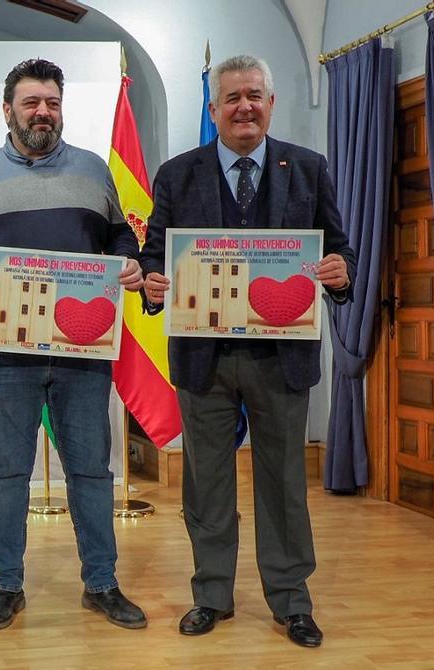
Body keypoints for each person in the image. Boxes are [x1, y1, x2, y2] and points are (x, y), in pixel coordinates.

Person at [140, 55, 355, 649]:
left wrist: (340, 274)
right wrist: (153, 284)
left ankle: (291, 601)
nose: (245, 107)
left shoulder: (308, 168)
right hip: (202, 356)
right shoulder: (176, 175)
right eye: (232, 97)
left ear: (271, 103)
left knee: (284, 481)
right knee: (206, 482)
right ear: (213, 109)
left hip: (281, 359)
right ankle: (211, 595)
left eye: (254, 95)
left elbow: (339, 249)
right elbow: (155, 255)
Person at [0, 59, 148, 631]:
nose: (42, 113)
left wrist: (127, 260)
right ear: (8, 110)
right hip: (5, 355)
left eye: (52, 102)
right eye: (31, 103)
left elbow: (120, 236)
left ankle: (101, 584)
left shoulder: (94, 169)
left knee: (91, 472)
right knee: (7, 473)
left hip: (84, 352)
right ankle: (5, 587)